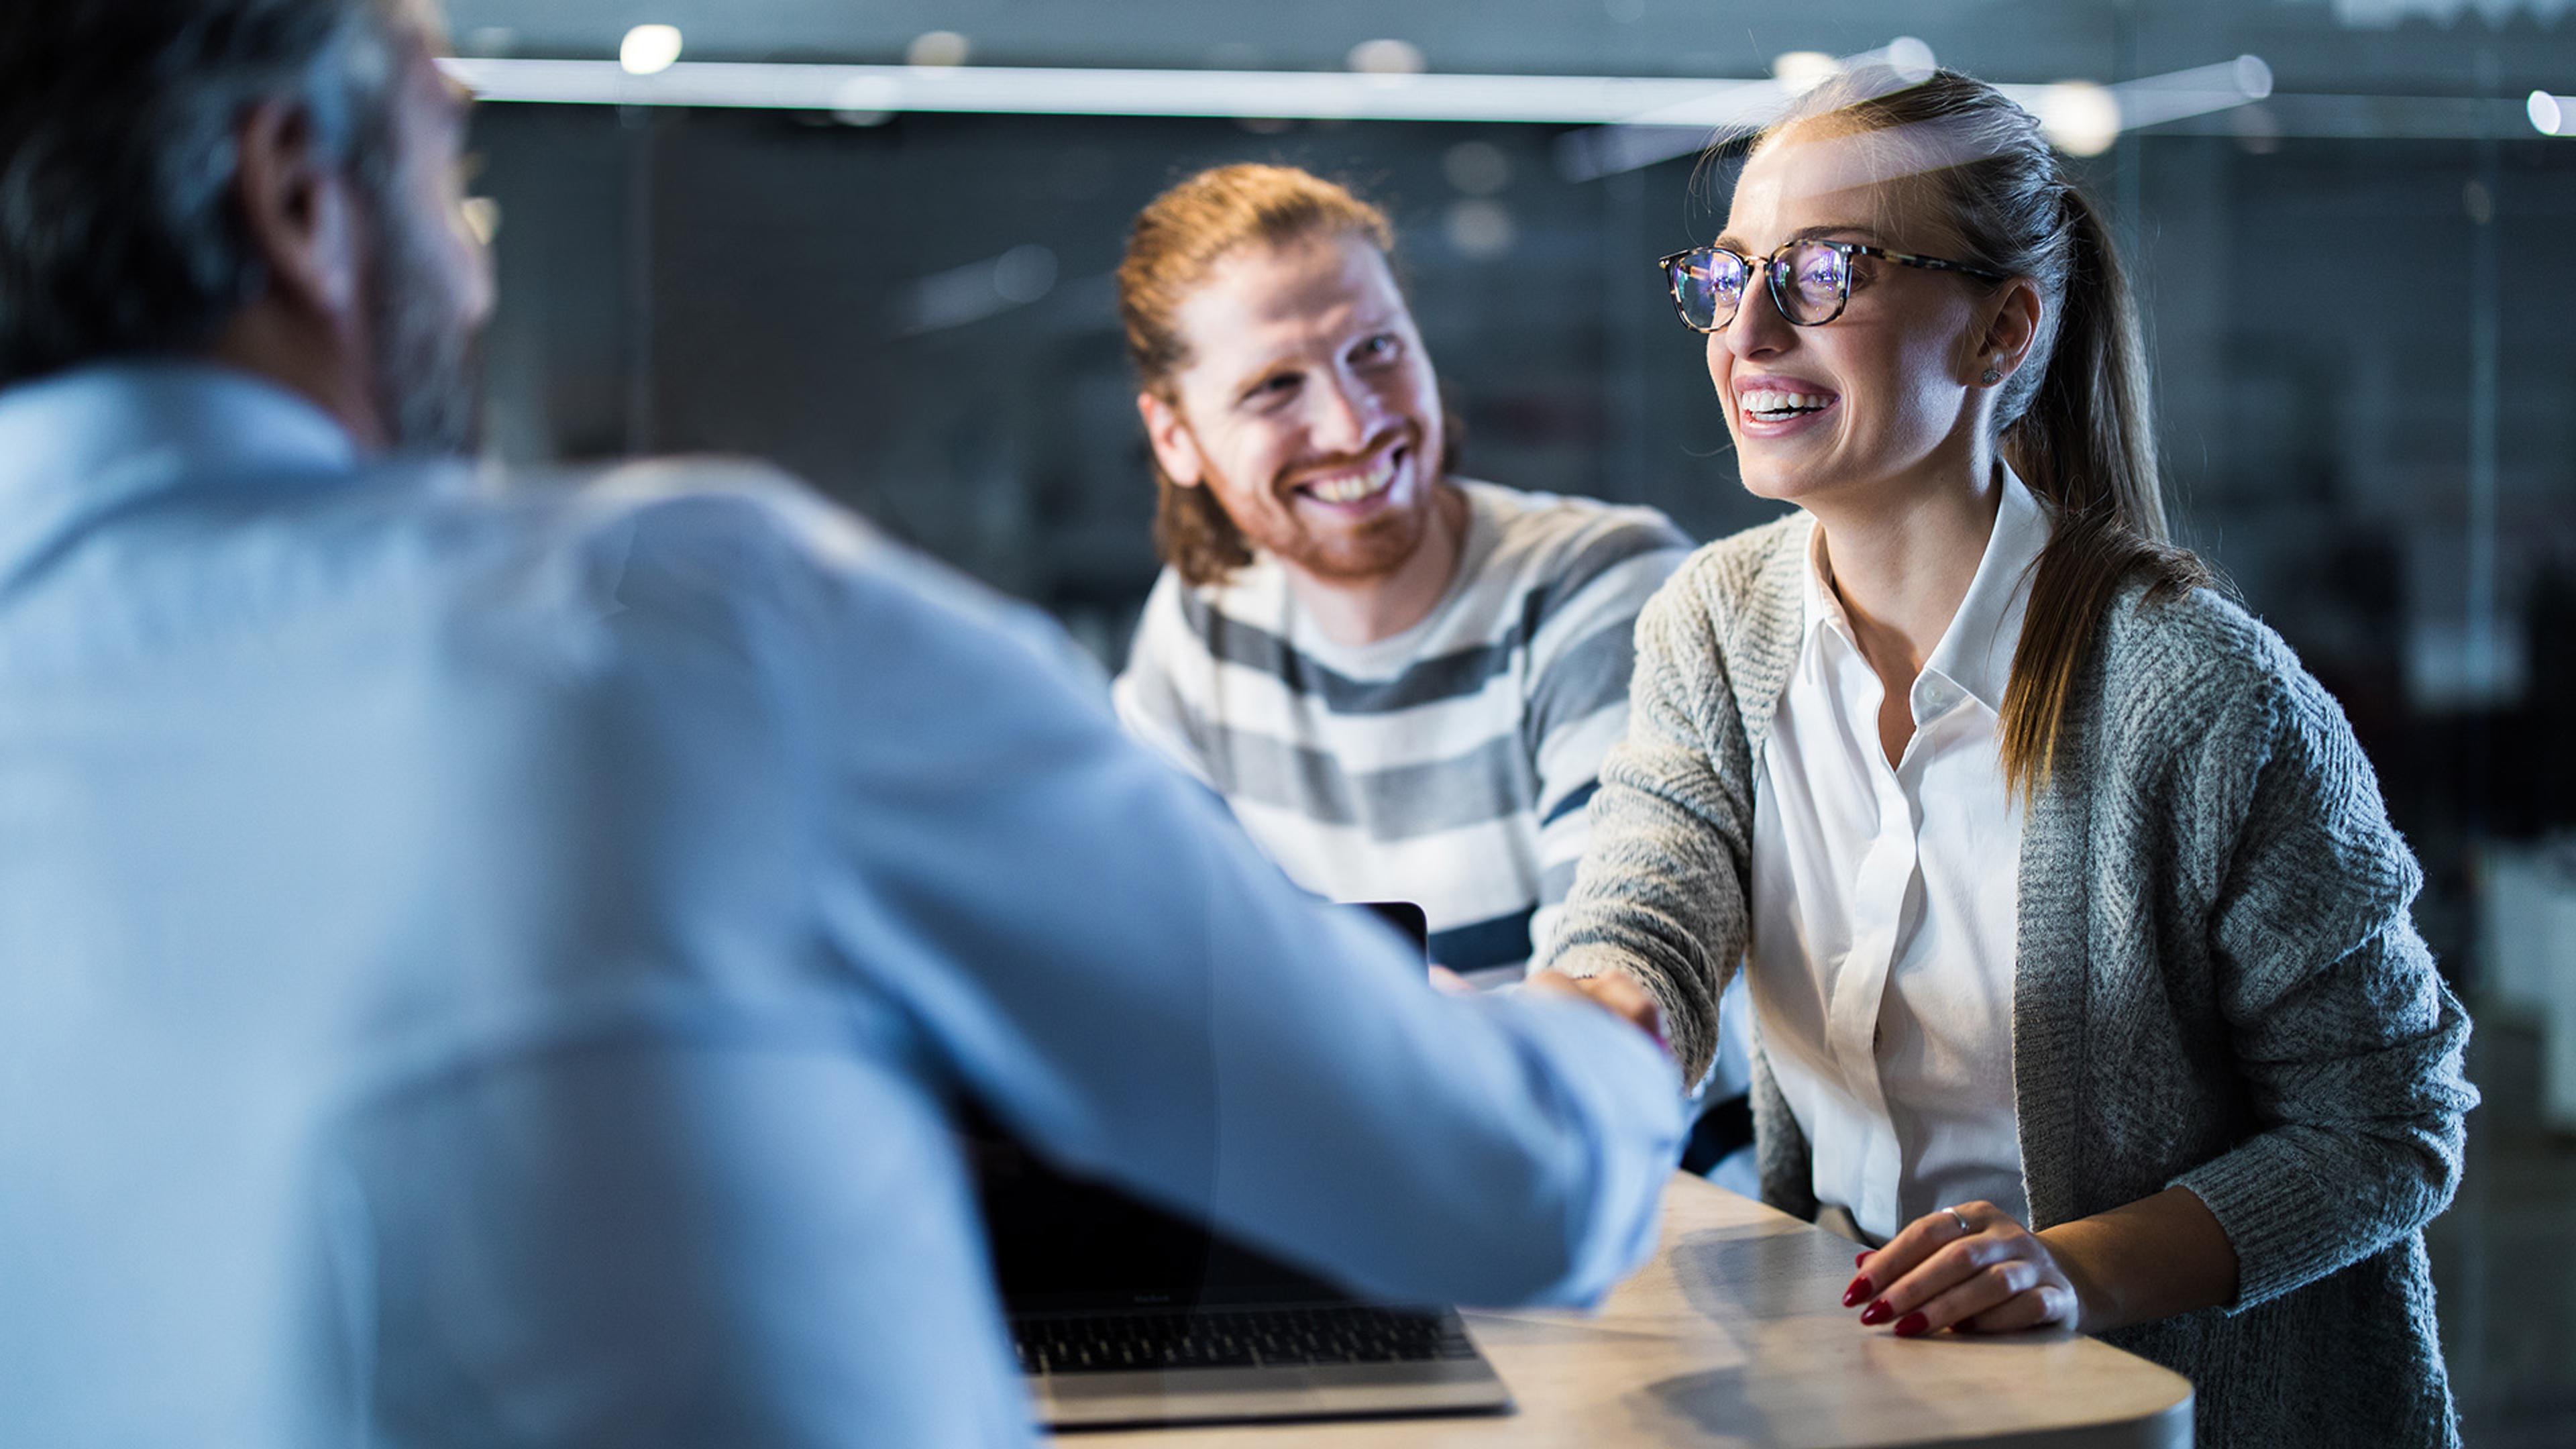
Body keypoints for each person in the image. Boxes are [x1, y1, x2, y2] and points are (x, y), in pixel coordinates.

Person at [0, 4, 1685, 1445]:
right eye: (454, 170)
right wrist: (1613, 1025)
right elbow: (1503, 1178)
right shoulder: (686, 619)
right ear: (302, 201)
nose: (475, 264)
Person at [1540, 66, 2478, 1449]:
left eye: (1822, 273)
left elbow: (2392, 1126)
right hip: (1869, 1387)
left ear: (2004, 328)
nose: (1747, 329)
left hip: (2175, 1412)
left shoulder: (2206, 694)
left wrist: (2073, 1267)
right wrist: (1589, 1018)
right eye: (1726, 274)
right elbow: (1648, 908)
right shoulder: (1715, 623)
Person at [1109, 164, 1755, 1175]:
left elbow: (1610, 1025)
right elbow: (1147, 977)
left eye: (1376, 351)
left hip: (1649, 1214)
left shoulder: (1596, 587)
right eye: (1276, 385)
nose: (1354, 423)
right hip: (1370, 1193)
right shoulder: (1199, 629)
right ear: (1175, 436)